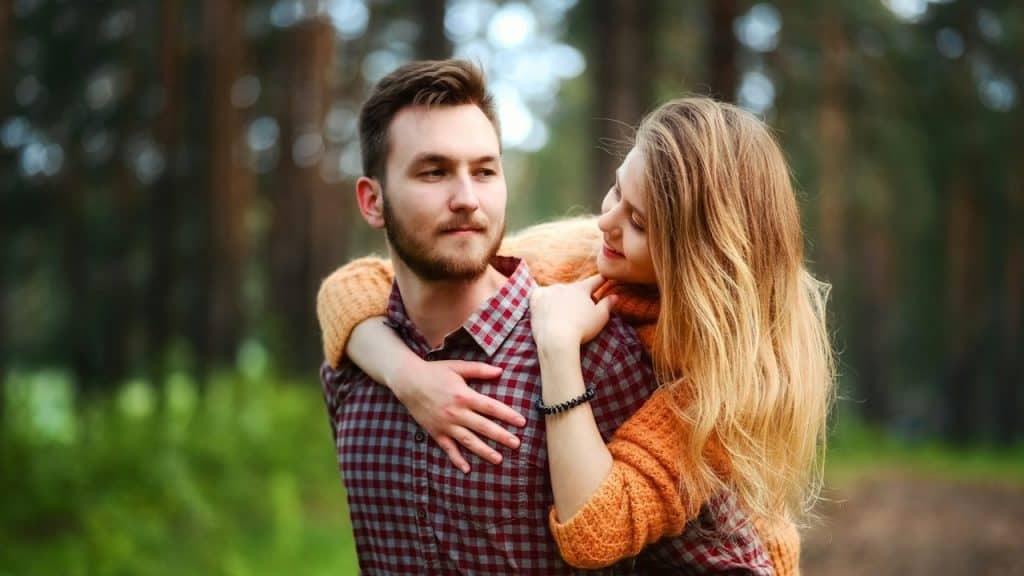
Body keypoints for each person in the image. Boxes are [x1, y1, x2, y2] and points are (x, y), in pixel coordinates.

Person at [319, 96, 836, 574]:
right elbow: (352, 286)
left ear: (698, 260)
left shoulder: (719, 382)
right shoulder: (581, 250)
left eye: (638, 221)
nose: (605, 221)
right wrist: (412, 377)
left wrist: (559, 348)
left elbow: (595, 531)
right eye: (616, 189)